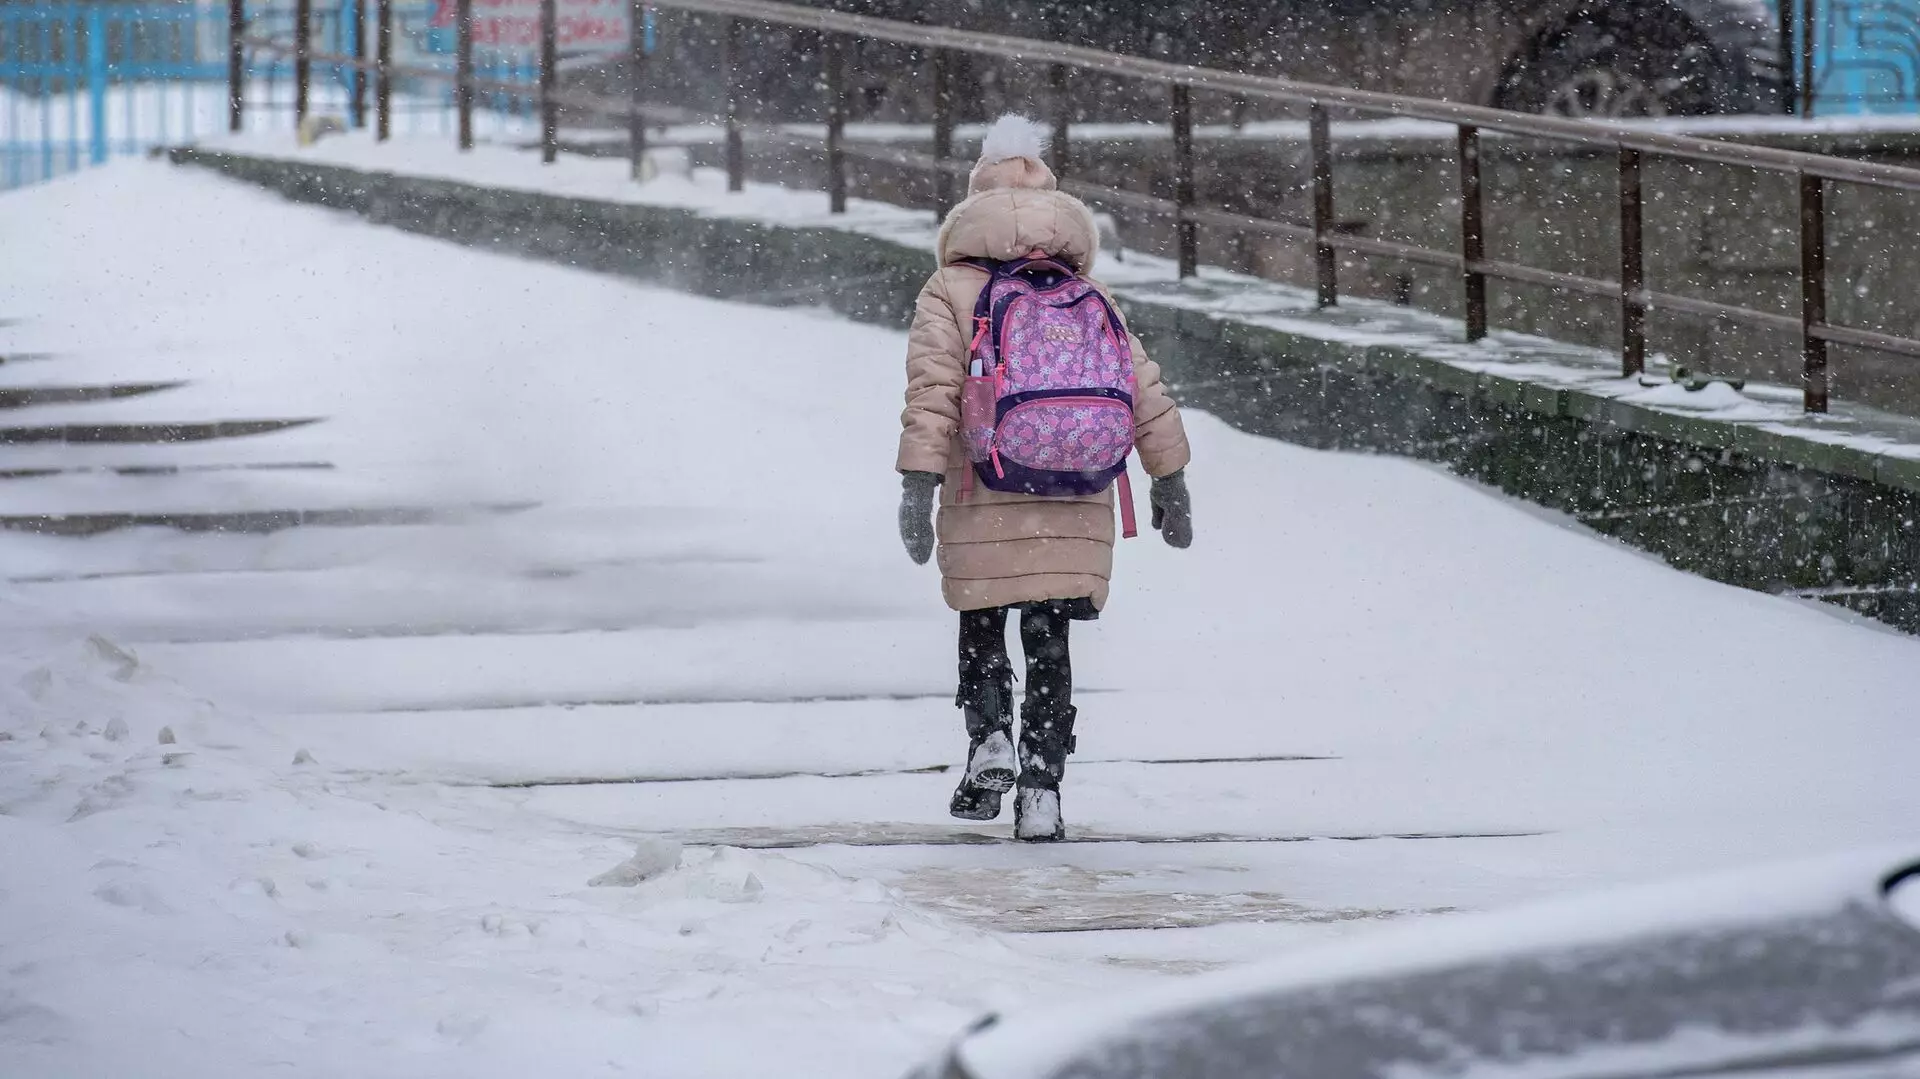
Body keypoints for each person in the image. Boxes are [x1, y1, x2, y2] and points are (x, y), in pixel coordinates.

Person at [895, 114, 1193, 842]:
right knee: (1050, 633)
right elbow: (1142, 385)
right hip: (1076, 487)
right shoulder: (1087, 291)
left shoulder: (951, 288)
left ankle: (989, 734)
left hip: (984, 486)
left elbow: (934, 389)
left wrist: (918, 480)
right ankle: (1042, 789)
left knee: (984, 619)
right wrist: (1170, 478)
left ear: (973, 207)